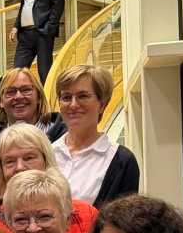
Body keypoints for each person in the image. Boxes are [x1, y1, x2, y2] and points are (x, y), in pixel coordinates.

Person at [0, 123, 98, 233]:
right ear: (0, 170)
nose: (20, 167)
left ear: (46, 161)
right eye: (10, 161)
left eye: (29, 158)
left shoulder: (86, 214)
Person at [53, 65, 139, 207]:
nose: (73, 105)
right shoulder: (46, 153)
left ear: (102, 105)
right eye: (66, 97)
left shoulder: (122, 161)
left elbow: (123, 218)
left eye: (83, 96)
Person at [0, 66, 66, 162]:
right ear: (1, 101)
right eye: (11, 92)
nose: (18, 96)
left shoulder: (64, 136)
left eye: (26, 90)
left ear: (39, 97)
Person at [10, 0, 64, 84]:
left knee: (45, 74)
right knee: (17, 72)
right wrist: (16, 26)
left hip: (42, 33)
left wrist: (49, 29)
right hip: (24, 35)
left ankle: (47, 98)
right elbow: (24, 6)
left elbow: (58, 5)